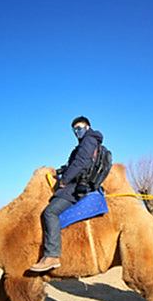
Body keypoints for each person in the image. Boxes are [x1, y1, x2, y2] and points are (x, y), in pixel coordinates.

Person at [29, 116, 104, 272]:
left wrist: (65, 180)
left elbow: (81, 163)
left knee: (50, 212)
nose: (77, 131)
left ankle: (52, 255)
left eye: (80, 127)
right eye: (75, 129)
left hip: (77, 186)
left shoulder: (89, 140)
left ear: (88, 127)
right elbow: (74, 163)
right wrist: (60, 171)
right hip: (76, 182)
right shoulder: (85, 143)